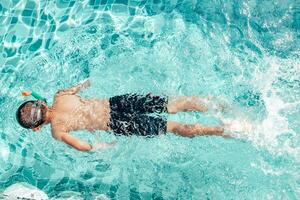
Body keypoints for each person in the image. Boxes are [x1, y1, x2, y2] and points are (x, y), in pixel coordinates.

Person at [16, 79, 229, 152]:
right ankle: (219, 105)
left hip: (117, 124)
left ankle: (224, 130)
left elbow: (82, 146)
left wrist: (100, 146)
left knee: (172, 127)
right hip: (117, 102)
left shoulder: (57, 130)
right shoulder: (60, 95)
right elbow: (85, 83)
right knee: (171, 104)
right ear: (41, 103)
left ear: (36, 127)